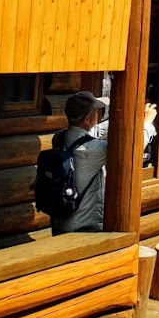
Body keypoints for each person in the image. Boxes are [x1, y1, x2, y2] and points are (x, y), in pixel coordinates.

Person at [50, 91, 110, 235]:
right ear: (88, 119)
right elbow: (130, 149)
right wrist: (146, 124)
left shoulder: (59, 137)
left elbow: (89, 132)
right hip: (83, 228)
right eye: (97, 112)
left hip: (60, 221)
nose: (99, 116)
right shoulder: (93, 149)